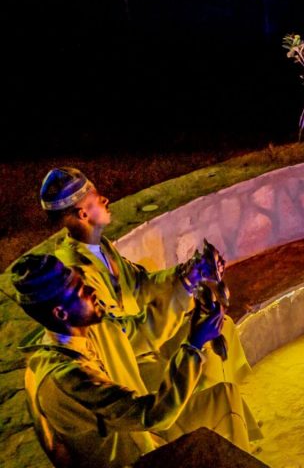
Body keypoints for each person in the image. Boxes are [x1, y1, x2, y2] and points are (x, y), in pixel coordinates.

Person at [12, 254, 256, 468]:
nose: (92, 290)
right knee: (210, 446)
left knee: (223, 397)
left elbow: (143, 330)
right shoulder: (65, 378)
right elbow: (152, 414)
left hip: (145, 433)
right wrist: (193, 346)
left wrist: (188, 283)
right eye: (81, 291)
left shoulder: (88, 326)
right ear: (61, 313)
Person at [41, 167, 251, 392]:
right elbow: (123, 337)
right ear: (83, 214)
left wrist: (189, 271)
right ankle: (212, 405)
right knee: (199, 363)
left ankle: (236, 391)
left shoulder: (100, 246)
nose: (105, 199)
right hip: (128, 361)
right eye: (97, 197)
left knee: (221, 326)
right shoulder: (79, 274)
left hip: (147, 338)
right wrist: (185, 287)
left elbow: (141, 284)